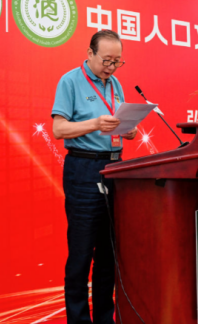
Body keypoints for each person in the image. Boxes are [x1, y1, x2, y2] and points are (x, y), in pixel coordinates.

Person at [52, 30, 138, 324]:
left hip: (115, 169)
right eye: (106, 60)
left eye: (117, 62)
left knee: (108, 253)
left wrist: (128, 130)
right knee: (81, 252)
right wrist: (95, 124)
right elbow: (59, 129)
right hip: (84, 170)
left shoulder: (115, 85)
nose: (111, 67)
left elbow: (117, 124)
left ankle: (104, 318)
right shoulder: (70, 81)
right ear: (90, 54)